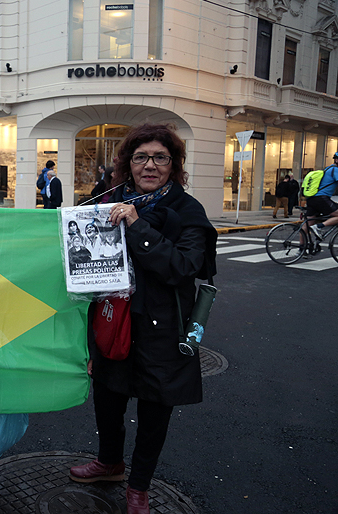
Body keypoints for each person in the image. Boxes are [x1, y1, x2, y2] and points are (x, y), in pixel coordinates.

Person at [68, 123, 217, 514]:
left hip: (162, 330)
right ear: (127, 163)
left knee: (153, 413)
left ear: (174, 164)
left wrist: (137, 225)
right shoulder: (107, 199)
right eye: (140, 157)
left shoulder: (188, 210)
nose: (149, 165)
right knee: (108, 400)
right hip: (113, 321)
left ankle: (139, 487)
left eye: (160, 158)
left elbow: (183, 266)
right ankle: (109, 463)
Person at [305, 152, 338, 240]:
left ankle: (301, 248)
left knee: (308, 224)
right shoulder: (335, 170)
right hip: (321, 198)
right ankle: (319, 226)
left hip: (312, 199)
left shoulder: (327, 169)